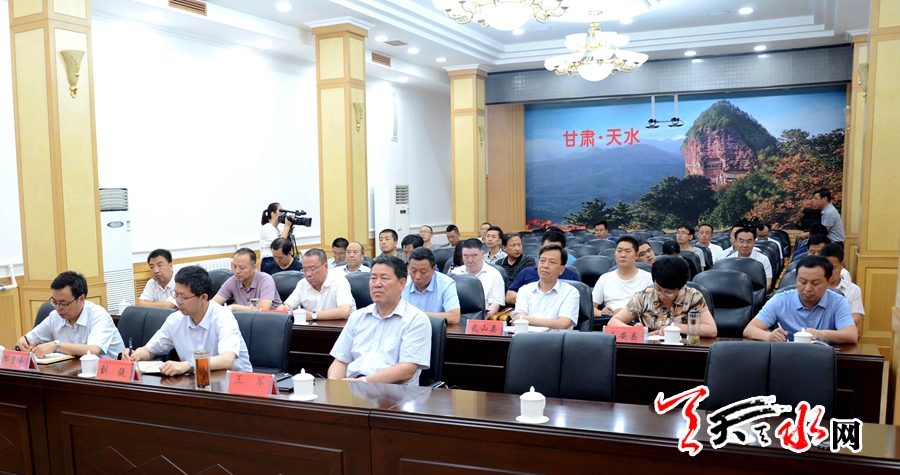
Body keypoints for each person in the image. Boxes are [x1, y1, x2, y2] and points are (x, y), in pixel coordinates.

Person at [123, 266, 252, 375]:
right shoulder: (175, 319)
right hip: (197, 382)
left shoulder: (223, 318)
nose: (178, 301)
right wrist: (136, 354)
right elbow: (150, 350)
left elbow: (227, 360)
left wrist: (188, 365)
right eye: (176, 295)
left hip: (236, 384)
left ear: (203, 297)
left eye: (183, 297)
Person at [327, 254, 431, 385]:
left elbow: (406, 370)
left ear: (402, 284)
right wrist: (334, 383)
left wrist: (361, 383)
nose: (377, 284)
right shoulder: (357, 317)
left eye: (384, 278)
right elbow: (341, 361)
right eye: (373, 278)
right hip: (352, 388)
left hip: (392, 392)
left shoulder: (416, 320)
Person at [743, 256, 856, 344]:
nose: (808, 288)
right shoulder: (781, 299)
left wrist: (821, 334)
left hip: (823, 357)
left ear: (828, 282)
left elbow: (851, 335)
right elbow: (749, 329)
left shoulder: (838, 301)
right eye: (802, 282)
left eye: (815, 283)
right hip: (788, 356)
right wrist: (770, 336)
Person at [17, 271, 124, 359]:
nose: (58, 308)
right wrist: (24, 343)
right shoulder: (55, 317)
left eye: (63, 303)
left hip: (108, 374)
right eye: (54, 302)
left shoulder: (99, 315)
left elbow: (93, 350)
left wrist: (56, 345)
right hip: (72, 372)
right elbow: (27, 338)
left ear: (81, 299)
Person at [608, 256, 717, 337]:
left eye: (669, 292)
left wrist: (676, 327)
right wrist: (636, 331)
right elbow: (613, 321)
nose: (662, 295)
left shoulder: (693, 297)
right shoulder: (644, 296)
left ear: (681, 287)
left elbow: (711, 330)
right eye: (658, 289)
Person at [510, 245, 580, 331]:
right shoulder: (525, 290)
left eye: (552, 262)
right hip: (528, 338)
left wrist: (526, 319)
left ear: (561, 270)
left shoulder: (570, 292)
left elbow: (563, 323)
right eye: (542, 261)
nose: (545, 266)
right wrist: (522, 319)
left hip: (557, 339)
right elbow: (518, 321)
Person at [278, 248, 355, 322]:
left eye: (312, 269)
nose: (308, 274)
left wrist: (312, 315)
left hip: (340, 329)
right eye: (304, 270)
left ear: (325, 266)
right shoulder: (302, 284)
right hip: (312, 329)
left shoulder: (339, 281)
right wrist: (283, 308)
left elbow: (344, 311)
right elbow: (284, 307)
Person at [506, 229, 579, 305]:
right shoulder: (526, 272)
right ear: (541, 248)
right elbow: (509, 296)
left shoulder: (571, 276)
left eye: (555, 249)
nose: (550, 252)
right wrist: (536, 299)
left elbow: (576, 301)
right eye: (547, 248)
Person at [592, 236, 652, 317]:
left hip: (638, 320)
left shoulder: (648, 278)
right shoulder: (605, 278)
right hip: (609, 319)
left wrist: (626, 314)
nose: (623, 255)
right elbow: (591, 307)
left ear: (636, 255)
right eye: (619, 251)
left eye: (627, 251)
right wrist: (602, 313)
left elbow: (654, 309)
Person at [402, 247, 461, 324]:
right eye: (413, 271)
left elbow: (454, 317)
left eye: (423, 272)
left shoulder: (446, 284)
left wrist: (418, 316)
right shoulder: (403, 283)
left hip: (435, 330)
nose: (417, 277)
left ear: (434, 269)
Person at [212, 248, 282, 311]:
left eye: (242, 268)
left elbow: (263, 309)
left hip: (270, 320)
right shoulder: (233, 281)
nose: (237, 271)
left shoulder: (265, 280)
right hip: (246, 320)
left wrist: (233, 307)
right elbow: (212, 305)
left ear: (254, 267)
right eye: (234, 266)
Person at [452, 239, 505, 317]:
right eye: (466, 256)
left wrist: (481, 320)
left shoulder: (494, 274)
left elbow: (495, 304)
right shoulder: (455, 274)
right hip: (457, 317)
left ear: (482, 254)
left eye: (474, 256)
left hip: (483, 318)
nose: (470, 260)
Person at [819, 244, 865, 328]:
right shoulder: (815, 288)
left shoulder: (853, 289)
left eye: (833, 268)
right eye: (825, 267)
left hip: (842, 331)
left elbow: (855, 319)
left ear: (842, 264)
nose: (829, 272)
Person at [260, 202, 293, 273]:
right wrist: (287, 226)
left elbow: (285, 244)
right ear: (273, 214)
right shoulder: (266, 228)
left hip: (278, 260)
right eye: (281, 211)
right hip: (269, 260)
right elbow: (279, 244)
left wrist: (289, 230)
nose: (283, 214)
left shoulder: (278, 229)